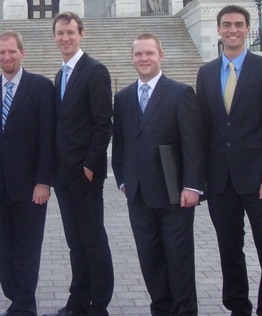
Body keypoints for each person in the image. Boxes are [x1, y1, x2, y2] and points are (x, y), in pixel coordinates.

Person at [195, 5, 262, 316]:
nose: (232, 30)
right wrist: (200, 179)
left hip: (260, 179)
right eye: (226, 25)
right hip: (221, 180)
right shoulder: (206, 73)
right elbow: (203, 128)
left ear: (247, 29)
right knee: (229, 250)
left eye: (238, 24)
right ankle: (237, 307)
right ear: (218, 30)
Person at [112, 33, 205, 316]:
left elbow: (193, 143)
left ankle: (185, 312)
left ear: (160, 56)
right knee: (150, 261)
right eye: (138, 54)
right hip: (139, 195)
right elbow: (120, 143)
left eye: (149, 53)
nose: (144, 59)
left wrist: (192, 186)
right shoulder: (123, 97)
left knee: (178, 261)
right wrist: (123, 180)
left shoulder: (180, 92)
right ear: (132, 58)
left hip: (174, 194)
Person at [0, 31, 56, 316]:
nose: (7, 57)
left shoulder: (41, 87)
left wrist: (44, 181)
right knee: (3, 250)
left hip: (32, 187)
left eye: (11, 51)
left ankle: (24, 306)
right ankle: (17, 299)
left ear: (22, 52)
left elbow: (47, 138)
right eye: (2, 52)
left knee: (28, 249)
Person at [45, 12, 114, 316]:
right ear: (54, 36)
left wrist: (90, 166)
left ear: (81, 34)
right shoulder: (61, 75)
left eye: (70, 32)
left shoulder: (95, 71)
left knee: (93, 239)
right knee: (75, 241)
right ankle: (78, 300)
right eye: (60, 33)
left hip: (84, 173)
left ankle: (99, 304)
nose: (65, 38)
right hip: (64, 173)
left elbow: (103, 123)